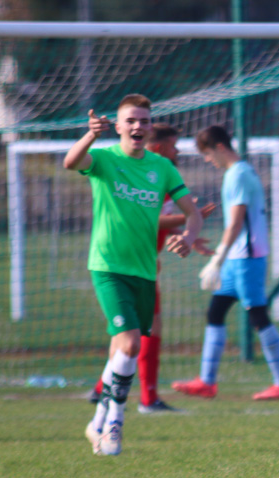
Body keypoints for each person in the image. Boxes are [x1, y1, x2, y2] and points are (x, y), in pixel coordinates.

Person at [65, 94, 203, 456]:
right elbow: (71, 162)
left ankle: (96, 421)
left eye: (144, 120)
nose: (138, 126)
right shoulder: (106, 159)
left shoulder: (162, 167)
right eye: (131, 120)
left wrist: (188, 237)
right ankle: (114, 423)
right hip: (108, 266)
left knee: (119, 354)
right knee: (130, 345)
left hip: (144, 270)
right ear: (119, 125)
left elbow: (194, 212)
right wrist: (90, 136)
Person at [88, 123, 215, 413]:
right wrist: (186, 220)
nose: (178, 150)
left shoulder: (164, 177)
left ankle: (107, 392)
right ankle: (146, 398)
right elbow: (145, 220)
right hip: (126, 267)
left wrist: (187, 237)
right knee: (140, 334)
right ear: (158, 148)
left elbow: (156, 222)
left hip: (145, 265)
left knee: (132, 336)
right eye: (173, 144)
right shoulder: (145, 176)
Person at [172, 125, 279, 401]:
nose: (207, 160)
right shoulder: (237, 173)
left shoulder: (238, 174)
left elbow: (237, 222)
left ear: (219, 147)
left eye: (206, 153)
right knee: (216, 311)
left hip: (247, 257)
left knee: (258, 316)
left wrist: (217, 259)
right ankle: (207, 381)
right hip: (237, 258)